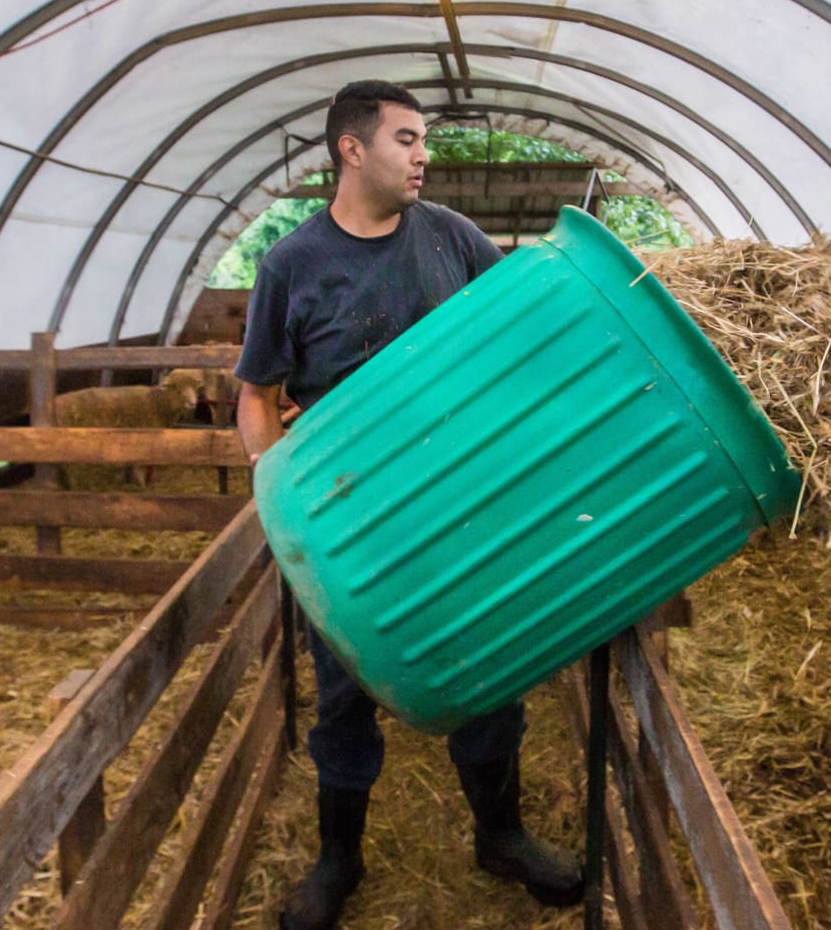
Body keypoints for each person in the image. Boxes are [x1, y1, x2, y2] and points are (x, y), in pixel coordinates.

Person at [234, 80, 582, 930]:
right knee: (346, 690)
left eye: (422, 140)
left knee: (488, 675)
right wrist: (277, 491)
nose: (424, 155)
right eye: (406, 139)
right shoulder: (292, 264)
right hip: (351, 519)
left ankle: (500, 837)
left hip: (462, 508)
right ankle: (337, 861)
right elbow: (256, 393)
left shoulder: (455, 239)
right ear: (352, 150)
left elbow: (517, 334)